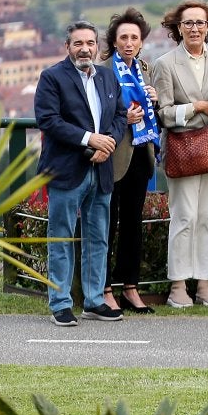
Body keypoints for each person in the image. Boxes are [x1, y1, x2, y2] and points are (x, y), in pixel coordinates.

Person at [34, 20, 128, 326]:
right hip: (66, 170)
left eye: (90, 43)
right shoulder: (51, 77)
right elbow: (48, 120)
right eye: (78, 43)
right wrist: (90, 139)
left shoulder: (107, 76)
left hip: (101, 169)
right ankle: (60, 303)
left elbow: (120, 115)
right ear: (67, 47)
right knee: (60, 237)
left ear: (98, 45)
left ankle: (94, 300)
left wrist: (108, 143)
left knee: (98, 238)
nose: (85, 48)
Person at [152, 0, 208, 309]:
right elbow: (164, 114)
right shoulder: (165, 64)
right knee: (183, 217)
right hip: (183, 150)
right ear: (178, 28)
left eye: (200, 23)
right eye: (188, 23)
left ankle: (204, 283)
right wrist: (198, 107)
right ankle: (177, 285)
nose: (195, 28)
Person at [101, 7, 159, 314]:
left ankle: (131, 287)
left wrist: (153, 99)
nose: (129, 43)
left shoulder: (144, 69)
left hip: (140, 154)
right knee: (107, 223)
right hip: (113, 154)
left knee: (133, 224)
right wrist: (126, 118)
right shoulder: (102, 71)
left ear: (141, 42)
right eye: (123, 37)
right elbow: (96, 115)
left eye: (134, 38)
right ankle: (105, 287)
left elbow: (153, 112)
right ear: (113, 40)